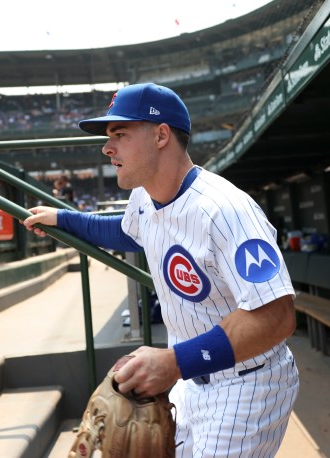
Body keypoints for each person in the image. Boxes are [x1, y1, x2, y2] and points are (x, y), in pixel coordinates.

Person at [23, 83, 299, 457]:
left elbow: (276, 318)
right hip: (189, 385)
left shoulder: (225, 210)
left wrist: (172, 363)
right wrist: (61, 218)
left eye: (120, 134)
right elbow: (123, 231)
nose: (107, 148)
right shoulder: (144, 197)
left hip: (248, 384)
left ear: (161, 135)